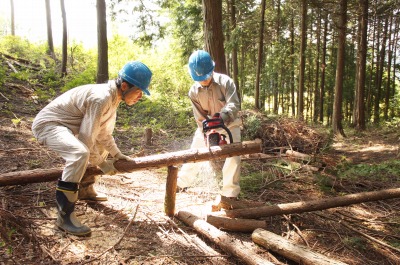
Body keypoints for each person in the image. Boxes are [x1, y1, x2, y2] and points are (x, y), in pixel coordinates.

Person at [32, 61, 152, 236]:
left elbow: (103, 134)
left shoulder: (113, 98)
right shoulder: (101, 98)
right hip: (48, 125)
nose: (140, 97)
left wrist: (117, 154)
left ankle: (85, 189)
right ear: (125, 86)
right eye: (139, 91)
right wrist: (102, 164)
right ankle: (64, 216)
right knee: (79, 153)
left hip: (63, 126)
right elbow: (86, 138)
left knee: (99, 146)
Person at [177, 50, 241, 206]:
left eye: (206, 77)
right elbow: (199, 117)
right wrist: (207, 131)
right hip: (207, 127)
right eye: (200, 79)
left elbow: (234, 104)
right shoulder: (193, 92)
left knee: (234, 155)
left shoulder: (226, 82)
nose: (204, 81)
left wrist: (222, 117)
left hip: (230, 123)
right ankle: (180, 183)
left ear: (212, 70)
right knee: (195, 152)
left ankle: (230, 193)